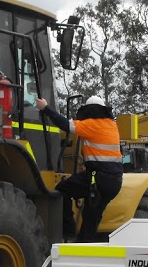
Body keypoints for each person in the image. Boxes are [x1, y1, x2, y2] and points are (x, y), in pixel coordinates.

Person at [35, 95, 123, 242]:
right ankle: (83, 248)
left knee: (62, 189)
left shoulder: (92, 125)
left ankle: (68, 230)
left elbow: (64, 124)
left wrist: (45, 108)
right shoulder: (112, 125)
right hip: (114, 182)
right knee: (91, 218)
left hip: (98, 179)